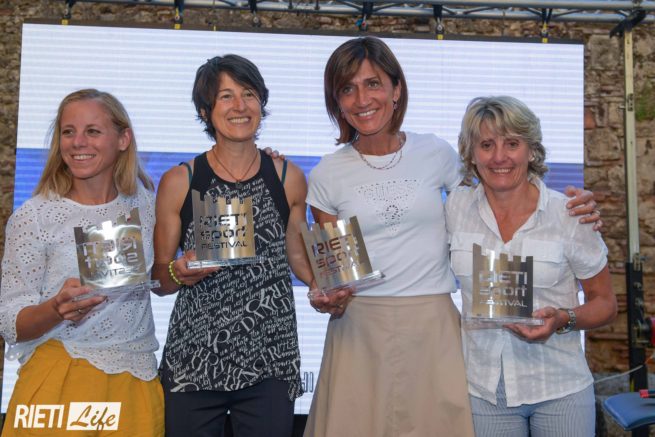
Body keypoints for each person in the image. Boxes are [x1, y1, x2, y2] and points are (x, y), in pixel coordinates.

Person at [304, 37, 599, 437]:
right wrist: (326, 298)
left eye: (373, 83)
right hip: (360, 329)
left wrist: (571, 205)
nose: (362, 99)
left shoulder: (436, 153)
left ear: (396, 89)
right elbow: (335, 274)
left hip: (434, 327)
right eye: (347, 89)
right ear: (336, 102)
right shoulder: (327, 173)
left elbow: (497, 191)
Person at [152, 54, 314, 437]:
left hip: (270, 357)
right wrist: (179, 270)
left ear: (261, 102)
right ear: (205, 112)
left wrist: (326, 286)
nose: (240, 106)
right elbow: (159, 279)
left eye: (249, 94)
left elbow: (297, 255)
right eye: (226, 96)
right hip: (194, 359)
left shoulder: (288, 177)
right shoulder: (181, 180)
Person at [446, 95, 617, 437]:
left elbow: (606, 304)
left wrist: (563, 319)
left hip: (559, 387)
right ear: (471, 153)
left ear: (532, 151)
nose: (499, 157)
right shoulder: (455, 207)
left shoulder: (569, 214)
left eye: (512, 144)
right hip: (483, 391)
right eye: (487, 145)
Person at [0, 89, 164, 436]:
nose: (78, 142)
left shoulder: (147, 206)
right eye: (68, 131)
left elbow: (164, 278)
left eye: (92, 131)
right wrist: (55, 309)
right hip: (62, 377)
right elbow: (10, 322)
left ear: (123, 139)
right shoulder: (35, 216)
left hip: (136, 381)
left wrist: (265, 159)